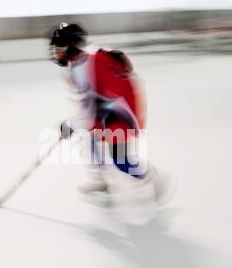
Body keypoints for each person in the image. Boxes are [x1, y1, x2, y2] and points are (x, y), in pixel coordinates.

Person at [49, 22, 174, 205]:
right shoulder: (87, 57)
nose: (56, 52)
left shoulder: (82, 67)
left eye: (59, 47)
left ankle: (155, 178)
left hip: (118, 114)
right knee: (92, 137)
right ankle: (101, 180)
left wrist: (70, 126)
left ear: (71, 46)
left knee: (120, 160)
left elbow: (89, 112)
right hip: (114, 109)